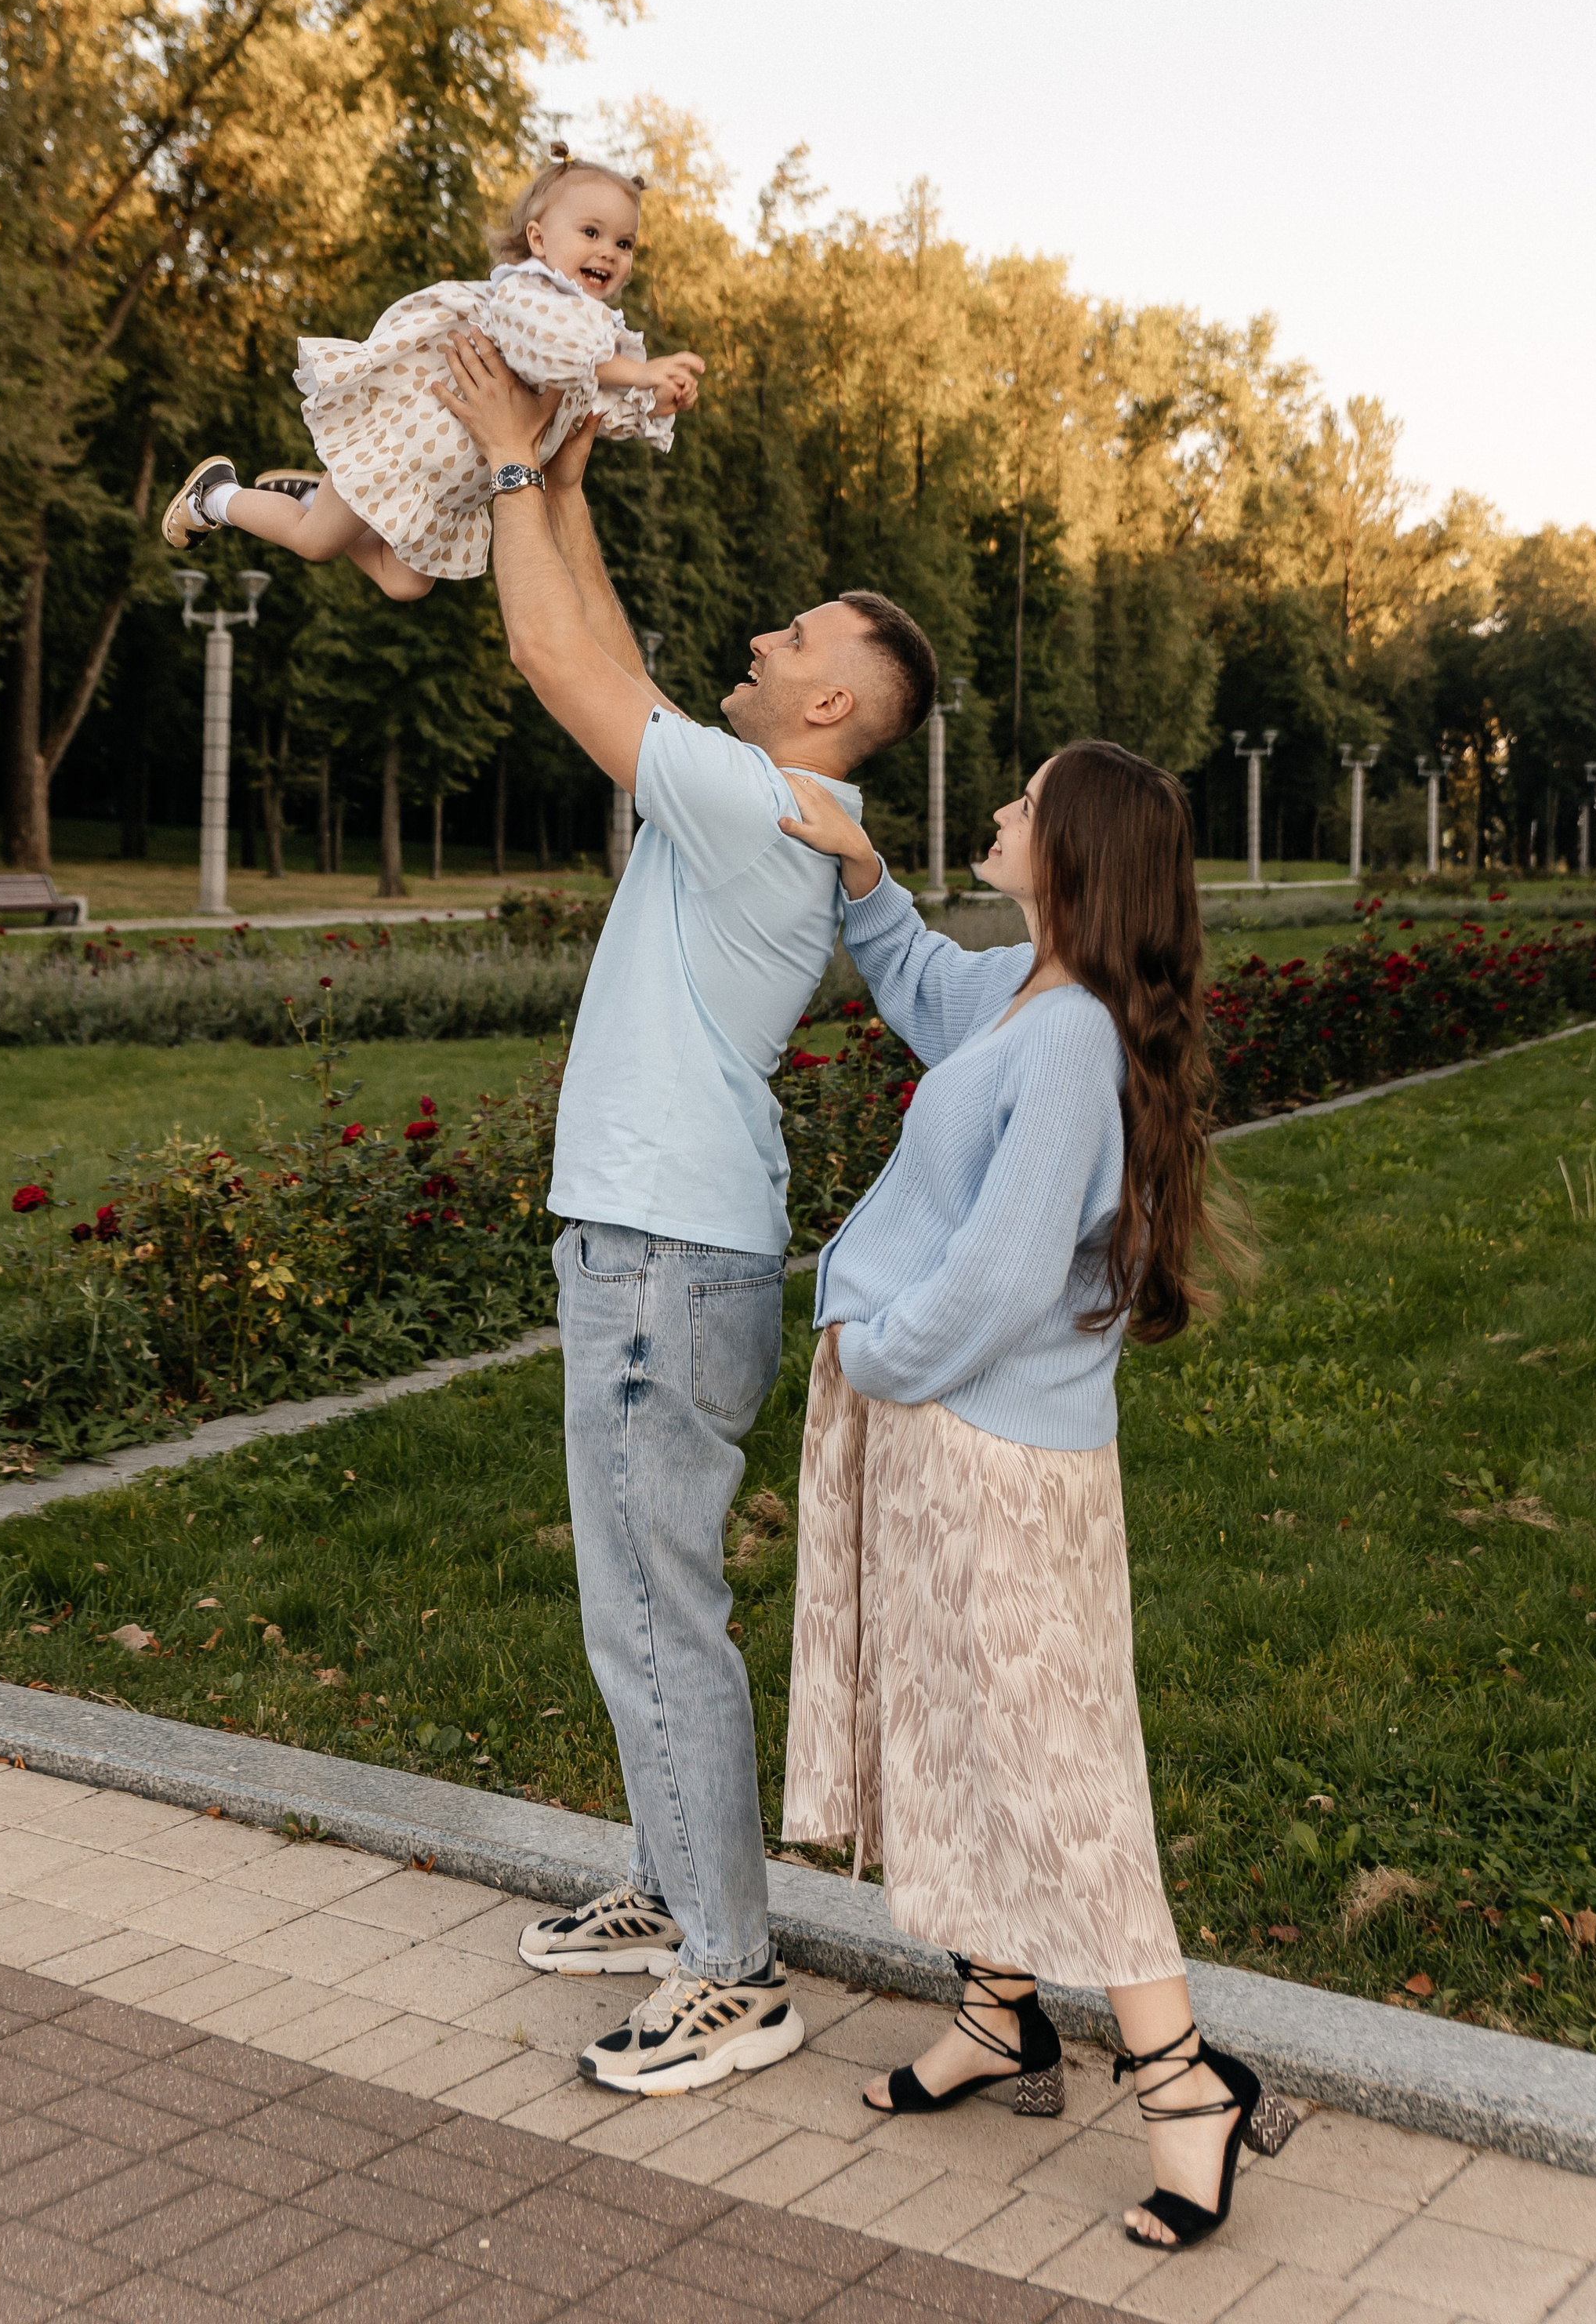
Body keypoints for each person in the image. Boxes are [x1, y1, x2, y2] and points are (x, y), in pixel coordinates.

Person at [432, 325, 938, 2098]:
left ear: (822, 703)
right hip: (660, 1240)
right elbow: (608, 649)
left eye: (789, 636)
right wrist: (560, 472)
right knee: (636, 1597)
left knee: (649, 1611)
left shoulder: (757, 803)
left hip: (662, 1251)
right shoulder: (759, 794)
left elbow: (547, 649)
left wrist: (511, 461)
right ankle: (671, 1880)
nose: (755, 639)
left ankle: (731, 1966)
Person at [777, 739, 1297, 2254]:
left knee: (1063, 1768)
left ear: (1070, 852)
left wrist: (875, 1351)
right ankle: (1003, 2014)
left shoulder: (1067, 1042)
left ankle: (1186, 2086)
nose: (999, 813)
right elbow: (927, 991)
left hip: (986, 1441)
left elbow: (1002, 1276)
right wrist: (866, 885)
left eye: (1022, 803)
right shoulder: (1029, 999)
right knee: (956, 1721)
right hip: (959, 1432)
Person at [158, 145, 705, 597]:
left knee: (406, 585)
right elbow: (548, 352)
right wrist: (644, 372)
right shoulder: (527, 294)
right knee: (313, 541)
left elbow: (596, 409)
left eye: (624, 243)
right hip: (407, 450)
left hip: (451, 486)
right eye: (591, 233)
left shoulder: (597, 338)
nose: (609, 252)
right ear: (539, 240)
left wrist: (657, 400)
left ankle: (314, 494)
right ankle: (215, 497)